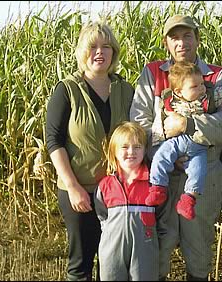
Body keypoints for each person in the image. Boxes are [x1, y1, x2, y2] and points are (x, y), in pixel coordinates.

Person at [130, 14, 222, 281]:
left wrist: (188, 125)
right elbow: (139, 121)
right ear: (166, 43)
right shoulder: (153, 74)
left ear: (197, 39)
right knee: (159, 245)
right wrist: (165, 150)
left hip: (206, 173)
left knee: (199, 249)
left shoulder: (217, 76)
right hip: (163, 175)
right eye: (174, 37)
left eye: (187, 36)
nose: (181, 42)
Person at [45, 21, 134, 281]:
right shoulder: (67, 90)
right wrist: (73, 186)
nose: (100, 52)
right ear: (83, 52)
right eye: (93, 46)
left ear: (114, 53)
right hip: (80, 190)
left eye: (106, 47)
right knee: (81, 264)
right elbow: (54, 141)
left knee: (112, 262)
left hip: (117, 191)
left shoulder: (125, 89)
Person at [146, 61, 222, 221]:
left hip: (198, 147)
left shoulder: (206, 99)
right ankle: (157, 187)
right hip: (175, 143)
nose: (201, 88)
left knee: (198, 171)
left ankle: (188, 199)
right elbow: (158, 125)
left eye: (202, 83)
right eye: (195, 86)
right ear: (179, 92)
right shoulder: (169, 102)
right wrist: (159, 142)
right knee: (161, 157)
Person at [94, 121, 159, 281]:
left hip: (145, 249)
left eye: (137, 147)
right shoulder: (105, 186)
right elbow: (102, 215)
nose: (131, 152)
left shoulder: (153, 184)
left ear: (145, 151)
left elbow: (163, 217)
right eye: (124, 147)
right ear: (114, 151)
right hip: (112, 250)